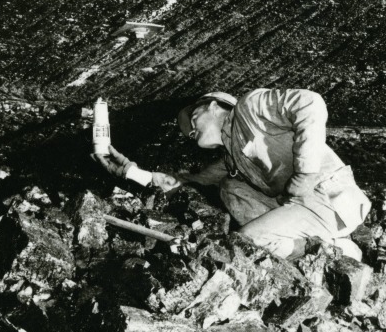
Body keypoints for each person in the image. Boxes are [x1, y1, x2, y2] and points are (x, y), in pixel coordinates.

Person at [94, 88, 371, 261]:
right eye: (190, 134)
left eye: (193, 120)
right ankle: (325, 244)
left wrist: (306, 172)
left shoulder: (250, 108)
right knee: (230, 187)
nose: (191, 133)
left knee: (246, 242)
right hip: (300, 206)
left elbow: (310, 103)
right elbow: (184, 181)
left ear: (215, 106)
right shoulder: (231, 157)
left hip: (327, 194)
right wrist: (131, 172)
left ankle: (333, 253)